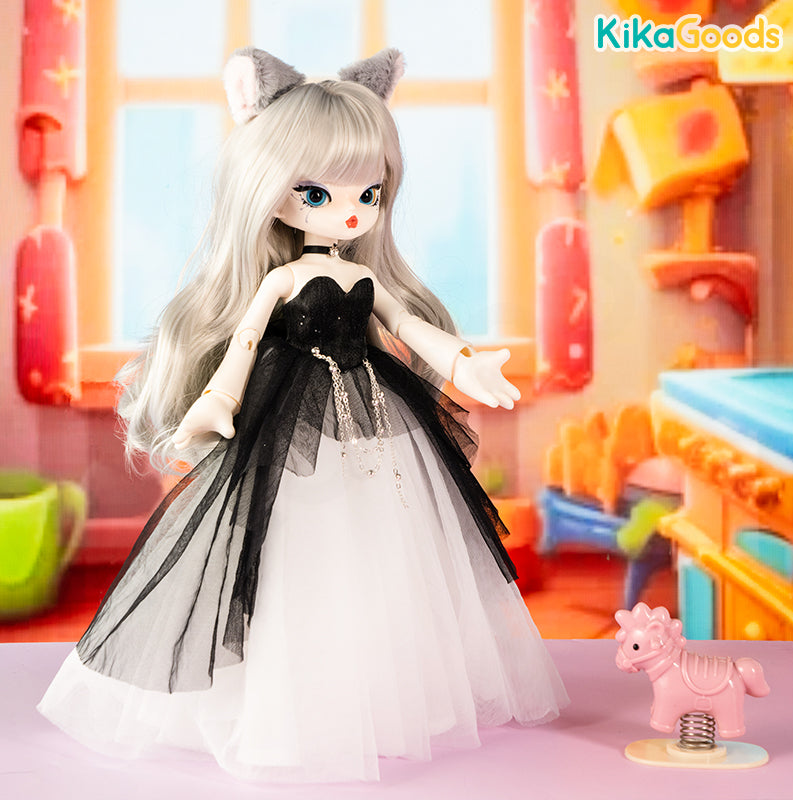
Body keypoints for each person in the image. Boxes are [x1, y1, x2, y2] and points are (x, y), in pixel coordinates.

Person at [38, 47, 567, 783]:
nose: (350, 211)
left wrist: (463, 363)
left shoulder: (362, 272)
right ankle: (287, 704)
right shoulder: (283, 279)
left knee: (379, 550)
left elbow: (407, 326)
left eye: (370, 192)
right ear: (269, 191)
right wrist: (216, 402)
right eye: (316, 193)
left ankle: (375, 693)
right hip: (287, 414)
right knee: (293, 550)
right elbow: (244, 342)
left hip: (375, 415)